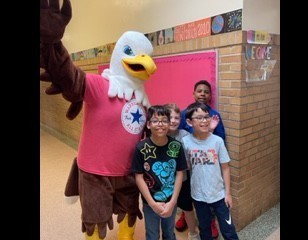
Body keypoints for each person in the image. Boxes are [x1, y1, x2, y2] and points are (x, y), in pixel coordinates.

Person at [40, 1, 157, 239]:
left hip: (128, 173)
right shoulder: (97, 85)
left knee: (130, 216)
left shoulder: (143, 100)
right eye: (131, 53)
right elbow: (67, 76)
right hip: (95, 173)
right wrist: (52, 43)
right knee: (95, 223)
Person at [182, 102, 239, 240]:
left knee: (228, 230)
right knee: (205, 229)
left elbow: (225, 168)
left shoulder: (217, 141)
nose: (204, 121)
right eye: (199, 118)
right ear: (190, 122)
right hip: (198, 195)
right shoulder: (185, 142)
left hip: (219, 195)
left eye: (206, 117)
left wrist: (228, 193)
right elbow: (188, 167)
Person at [176, 80, 225, 239]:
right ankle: (185, 214)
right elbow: (179, 136)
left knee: (206, 194)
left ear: (210, 96)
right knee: (188, 192)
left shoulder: (214, 115)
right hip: (189, 162)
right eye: (199, 91)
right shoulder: (184, 114)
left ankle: (210, 221)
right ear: (194, 93)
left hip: (207, 161)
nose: (203, 94)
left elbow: (220, 139)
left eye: (206, 91)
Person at [131, 105, 188, 240]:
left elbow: (180, 173)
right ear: (149, 125)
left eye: (164, 120)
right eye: (156, 121)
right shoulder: (141, 148)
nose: (160, 124)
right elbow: (138, 177)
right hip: (150, 201)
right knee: (152, 234)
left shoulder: (176, 146)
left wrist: (173, 201)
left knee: (169, 233)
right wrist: (152, 203)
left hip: (170, 201)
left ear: (169, 124)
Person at [164, 103, 200, 240]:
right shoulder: (160, 135)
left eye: (176, 118)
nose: (173, 120)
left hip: (184, 180)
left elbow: (192, 155)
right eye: (170, 117)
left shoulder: (184, 135)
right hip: (165, 182)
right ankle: (167, 233)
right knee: (168, 208)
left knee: (187, 207)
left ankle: (193, 232)